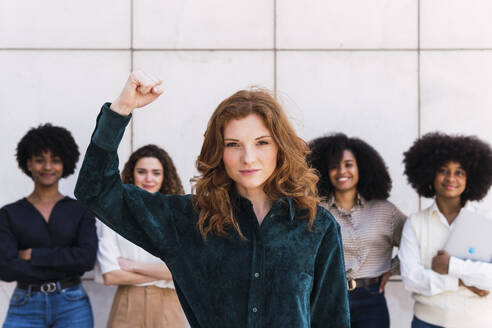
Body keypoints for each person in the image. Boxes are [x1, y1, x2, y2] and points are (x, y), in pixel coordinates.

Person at [74, 70, 350, 328]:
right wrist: (121, 110)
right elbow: (95, 190)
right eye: (233, 144)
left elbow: (332, 318)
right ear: (218, 151)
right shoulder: (188, 220)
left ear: (281, 147)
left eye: (261, 142)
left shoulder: (316, 225)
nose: (248, 158)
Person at [0, 124, 97, 328]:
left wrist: (32, 255)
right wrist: (64, 260)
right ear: (28, 164)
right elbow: (6, 268)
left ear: (65, 165)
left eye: (55, 160)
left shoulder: (80, 211)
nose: (47, 167)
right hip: (25, 303)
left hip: (72, 305)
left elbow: (86, 259)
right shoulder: (9, 214)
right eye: (39, 160)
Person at [308, 133, 406, 328]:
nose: (341, 171)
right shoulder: (315, 212)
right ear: (324, 172)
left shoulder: (385, 211)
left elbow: (417, 245)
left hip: (371, 300)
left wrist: (392, 268)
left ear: (361, 167)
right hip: (328, 299)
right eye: (334, 166)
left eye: (348, 164)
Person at [399, 132, 492, 328]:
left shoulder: (485, 221)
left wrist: (451, 266)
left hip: (476, 322)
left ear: (470, 178)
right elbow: (411, 279)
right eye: (443, 170)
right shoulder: (415, 223)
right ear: (430, 175)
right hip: (427, 322)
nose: (451, 178)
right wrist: (462, 282)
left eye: (459, 172)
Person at [97, 144, 187, 327]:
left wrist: (132, 266)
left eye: (156, 173)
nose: (148, 179)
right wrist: (165, 274)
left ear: (164, 177)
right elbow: (111, 276)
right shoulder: (113, 215)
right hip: (128, 303)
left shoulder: (181, 217)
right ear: (131, 174)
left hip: (168, 305)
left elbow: (186, 270)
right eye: (141, 172)